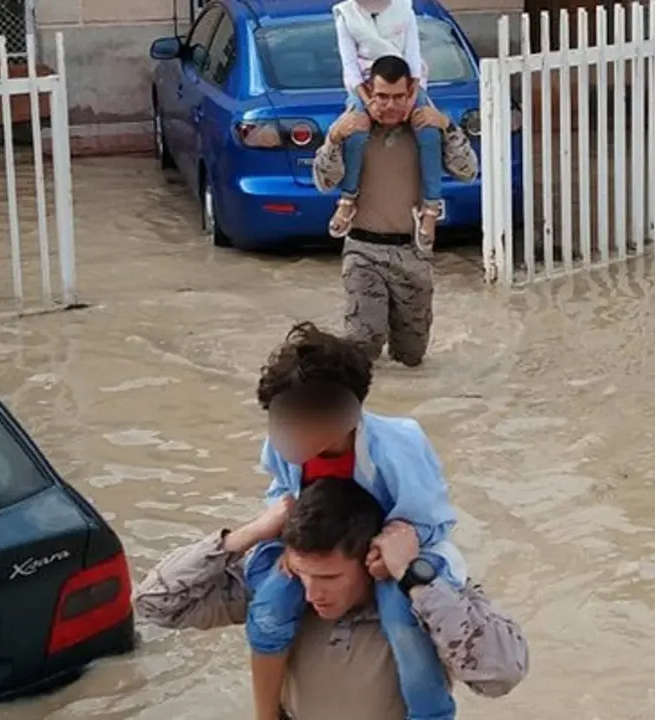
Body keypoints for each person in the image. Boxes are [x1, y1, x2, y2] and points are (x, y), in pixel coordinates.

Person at [133, 478, 529, 720]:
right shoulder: (286, 595)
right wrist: (247, 535)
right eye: (303, 573)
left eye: (329, 577)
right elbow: (156, 604)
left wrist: (414, 577)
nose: (312, 593)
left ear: (369, 559)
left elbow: (501, 675)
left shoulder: (428, 602)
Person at [240, 321, 467, 720]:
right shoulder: (282, 443)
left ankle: (432, 714)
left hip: (393, 549)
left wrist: (389, 555)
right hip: (320, 546)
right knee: (269, 610)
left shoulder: (399, 445)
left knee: (401, 618)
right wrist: (291, 548)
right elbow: (281, 494)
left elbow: (431, 520)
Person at [311, 54, 477, 367]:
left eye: (398, 97)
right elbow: (323, 181)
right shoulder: (353, 130)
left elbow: (467, 171)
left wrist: (447, 125)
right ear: (369, 94)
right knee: (364, 343)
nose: (390, 105)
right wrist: (334, 137)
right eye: (382, 97)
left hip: (412, 255)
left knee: (410, 358)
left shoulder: (426, 129)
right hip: (363, 251)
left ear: (411, 92)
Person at [328, 0, 441, 244]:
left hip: (407, 85)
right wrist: (370, 102)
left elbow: (413, 57)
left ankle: (431, 209)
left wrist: (410, 99)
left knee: (430, 132)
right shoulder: (345, 14)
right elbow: (350, 67)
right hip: (366, 88)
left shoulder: (405, 8)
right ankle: (348, 200)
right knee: (356, 132)